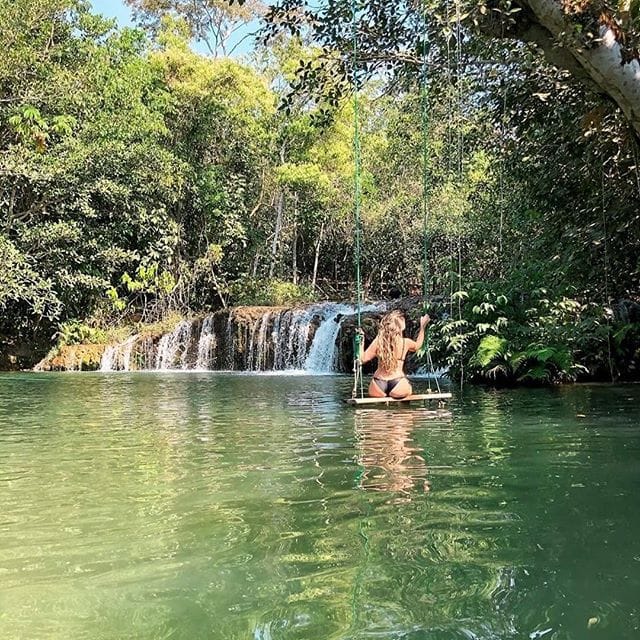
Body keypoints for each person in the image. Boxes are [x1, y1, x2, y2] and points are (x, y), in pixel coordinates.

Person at [358, 310, 430, 399]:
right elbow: (418, 346)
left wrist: (361, 343)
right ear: (401, 327)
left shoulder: (378, 342)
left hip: (378, 384)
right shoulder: (405, 342)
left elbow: (362, 359)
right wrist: (422, 327)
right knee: (407, 396)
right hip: (398, 383)